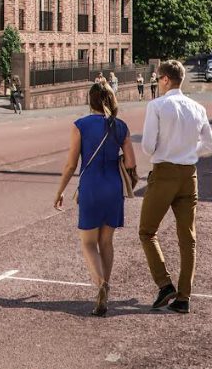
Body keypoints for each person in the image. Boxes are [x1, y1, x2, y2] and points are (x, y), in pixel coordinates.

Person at [139, 60, 212, 314]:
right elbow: (210, 145)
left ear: (164, 80)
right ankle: (184, 297)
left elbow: (148, 146)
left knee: (148, 231)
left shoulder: (157, 105)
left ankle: (164, 284)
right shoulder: (198, 107)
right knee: (188, 240)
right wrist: (187, 150)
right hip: (189, 174)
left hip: (164, 173)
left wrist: (168, 148)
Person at [54, 83, 136, 316]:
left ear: (90, 101)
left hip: (90, 186)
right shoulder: (120, 126)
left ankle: (100, 284)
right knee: (107, 242)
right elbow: (130, 163)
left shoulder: (80, 125)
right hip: (113, 186)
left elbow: (71, 164)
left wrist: (60, 191)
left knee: (88, 243)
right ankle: (105, 290)